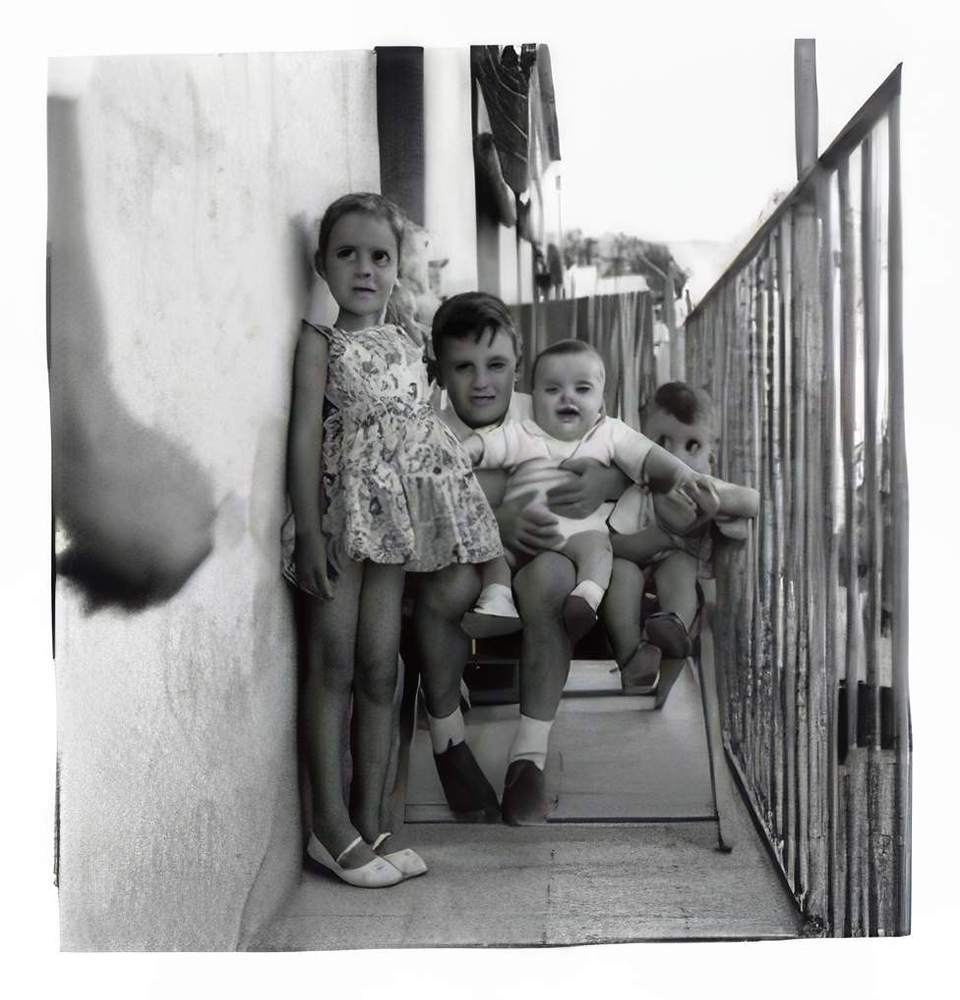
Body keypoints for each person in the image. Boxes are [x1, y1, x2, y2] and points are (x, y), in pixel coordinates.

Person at [414, 296, 715, 825]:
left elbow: (614, 445)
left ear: (518, 364)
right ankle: (449, 740)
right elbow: (420, 508)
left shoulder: (544, 398)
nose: (482, 383)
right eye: (463, 368)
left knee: (553, 581)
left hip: (551, 551)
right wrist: (494, 520)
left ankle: (528, 757)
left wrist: (607, 479)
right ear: (439, 370)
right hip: (468, 560)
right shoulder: (431, 429)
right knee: (449, 588)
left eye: (497, 366)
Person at [281, 194, 503, 886]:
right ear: (321, 264)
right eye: (347, 254)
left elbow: (421, 439)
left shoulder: (409, 344)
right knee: (334, 665)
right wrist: (310, 529)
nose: (364, 269)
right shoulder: (322, 342)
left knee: (383, 670)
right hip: (341, 520)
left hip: (393, 525)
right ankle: (329, 828)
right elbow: (304, 438)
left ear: (398, 266)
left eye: (379, 256)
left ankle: (371, 819)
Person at [461, 341, 719, 640]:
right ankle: (497, 600)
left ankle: (586, 597)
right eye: (552, 389)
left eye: (582, 389)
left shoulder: (609, 432)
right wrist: (463, 451)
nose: (567, 397)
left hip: (578, 534)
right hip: (522, 532)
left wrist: (685, 475)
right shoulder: (522, 432)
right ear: (534, 397)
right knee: (494, 551)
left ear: (601, 403)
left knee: (599, 549)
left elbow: (648, 454)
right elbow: (487, 446)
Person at [603, 382, 760, 693]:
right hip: (637, 559)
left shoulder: (706, 487)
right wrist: (661, 537)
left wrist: (715, 503)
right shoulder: (642, 491)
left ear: (712, 450)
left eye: (692, 446)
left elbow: (753, 501)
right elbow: (615, 545)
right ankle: (632, 655)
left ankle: (671, 628)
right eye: (662, 444)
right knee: (621, 573)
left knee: (680, 567)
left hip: (677, 569)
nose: (676, 457)